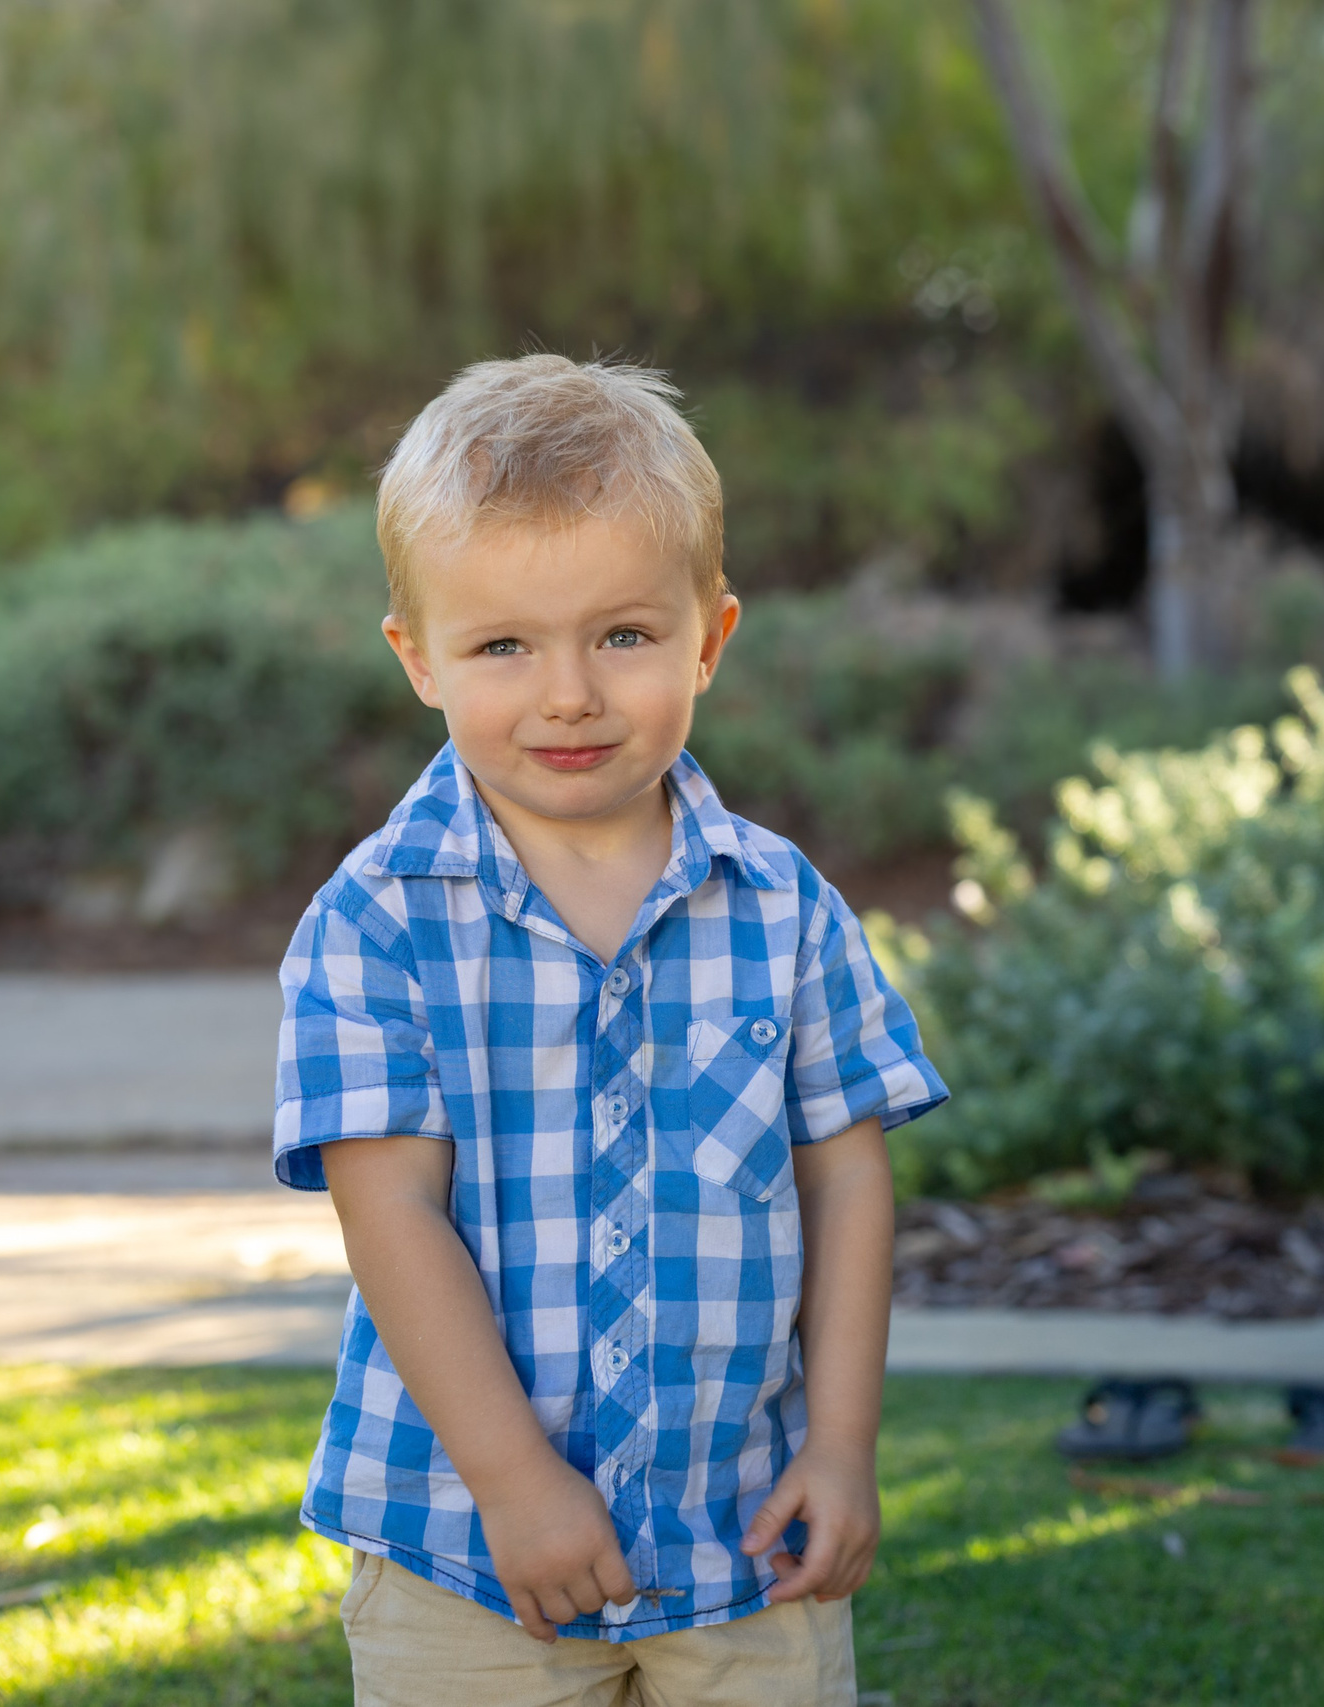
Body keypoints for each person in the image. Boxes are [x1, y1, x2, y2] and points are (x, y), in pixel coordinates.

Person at [273, 355, 946, 1707]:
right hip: (467, 1549)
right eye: (503, 647)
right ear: (418, 658)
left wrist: (841, 1443)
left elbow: (845, 1177)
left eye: (624, 636)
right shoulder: (375, 922)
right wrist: (516, 1485)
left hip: (746, 1533)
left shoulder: (784, 907)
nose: (569, 693)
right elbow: (391, 1214)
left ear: (710, 637)